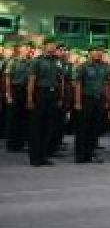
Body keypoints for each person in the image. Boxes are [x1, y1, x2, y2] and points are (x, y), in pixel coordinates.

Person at [27, 39, 64, 167]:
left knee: (48, 127)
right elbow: (32, 80)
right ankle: (35, 157)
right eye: (50, 44)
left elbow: (60, 81)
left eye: (54, 45)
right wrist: (30, 99)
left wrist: (60, 97)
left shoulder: (57, 62)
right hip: (40, 94)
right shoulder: (37, 61)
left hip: (52, 95)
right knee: (37, 127)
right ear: (44, 46)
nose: (53, 47)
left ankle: (43, 156)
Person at [72, 44, 110, 163]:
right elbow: (78, 85)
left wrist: (107, 100)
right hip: (86, 99)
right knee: (83, 128)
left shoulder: (104, 67)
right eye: (96, 51)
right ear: (90, 52)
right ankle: (80, 155)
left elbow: (106, 84)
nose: (99, 53)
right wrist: (78, 101)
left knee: (95, 128)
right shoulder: (83, 66)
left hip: (99, 100)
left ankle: (90, 153)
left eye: (101, 51)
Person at [5, 41, 33, 153]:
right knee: (13, 118)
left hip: (25, 91)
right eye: (25, 48)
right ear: (20, 49)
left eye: (28, 48)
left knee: (23, 118)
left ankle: (20, 143)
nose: (27, 50)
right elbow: (8, 80)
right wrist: (8, 95)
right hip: (15, 90)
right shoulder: (13, 62)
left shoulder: (30, 63)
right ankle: (11, 144)